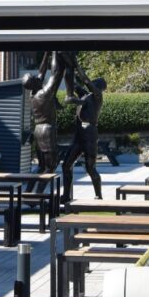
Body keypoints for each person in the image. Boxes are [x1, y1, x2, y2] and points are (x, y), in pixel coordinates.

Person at [62, 69, 107, 203]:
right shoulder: (85, 95)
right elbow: (74, 85)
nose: (92, 82)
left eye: (95, 82)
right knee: (66, 165)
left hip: (89, 135)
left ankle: (98, 195)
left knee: (90, 168)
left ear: (99, 87)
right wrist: (67, 69)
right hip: (79, 135)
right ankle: (66, 195)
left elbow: (86, 81)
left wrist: (77, 68)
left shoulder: (97, 96)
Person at [22, 50, 66, 174]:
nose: (38, 77)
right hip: (46, 131)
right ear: (34, 83)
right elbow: (55, 73)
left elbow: (41, 72)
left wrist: (46, 53)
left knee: (41, 166)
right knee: (50, 166)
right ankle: (38, 187)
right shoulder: (45, 94)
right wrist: (55, 53)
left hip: (37, 130)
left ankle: (30, 186)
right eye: (35, 78)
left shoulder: (32, 94)